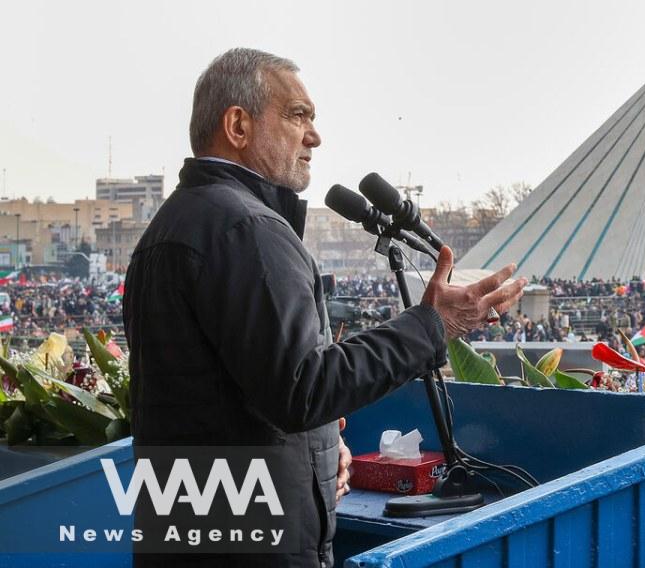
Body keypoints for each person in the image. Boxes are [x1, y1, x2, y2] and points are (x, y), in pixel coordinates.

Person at [123, 49, 526, 567]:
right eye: (298, 115)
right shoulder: (248, 230)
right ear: (238, 124)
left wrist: (317, 444)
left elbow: (229, 390)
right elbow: (301, 389)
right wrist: (434, 324)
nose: (314, 136)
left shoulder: (173, 226)